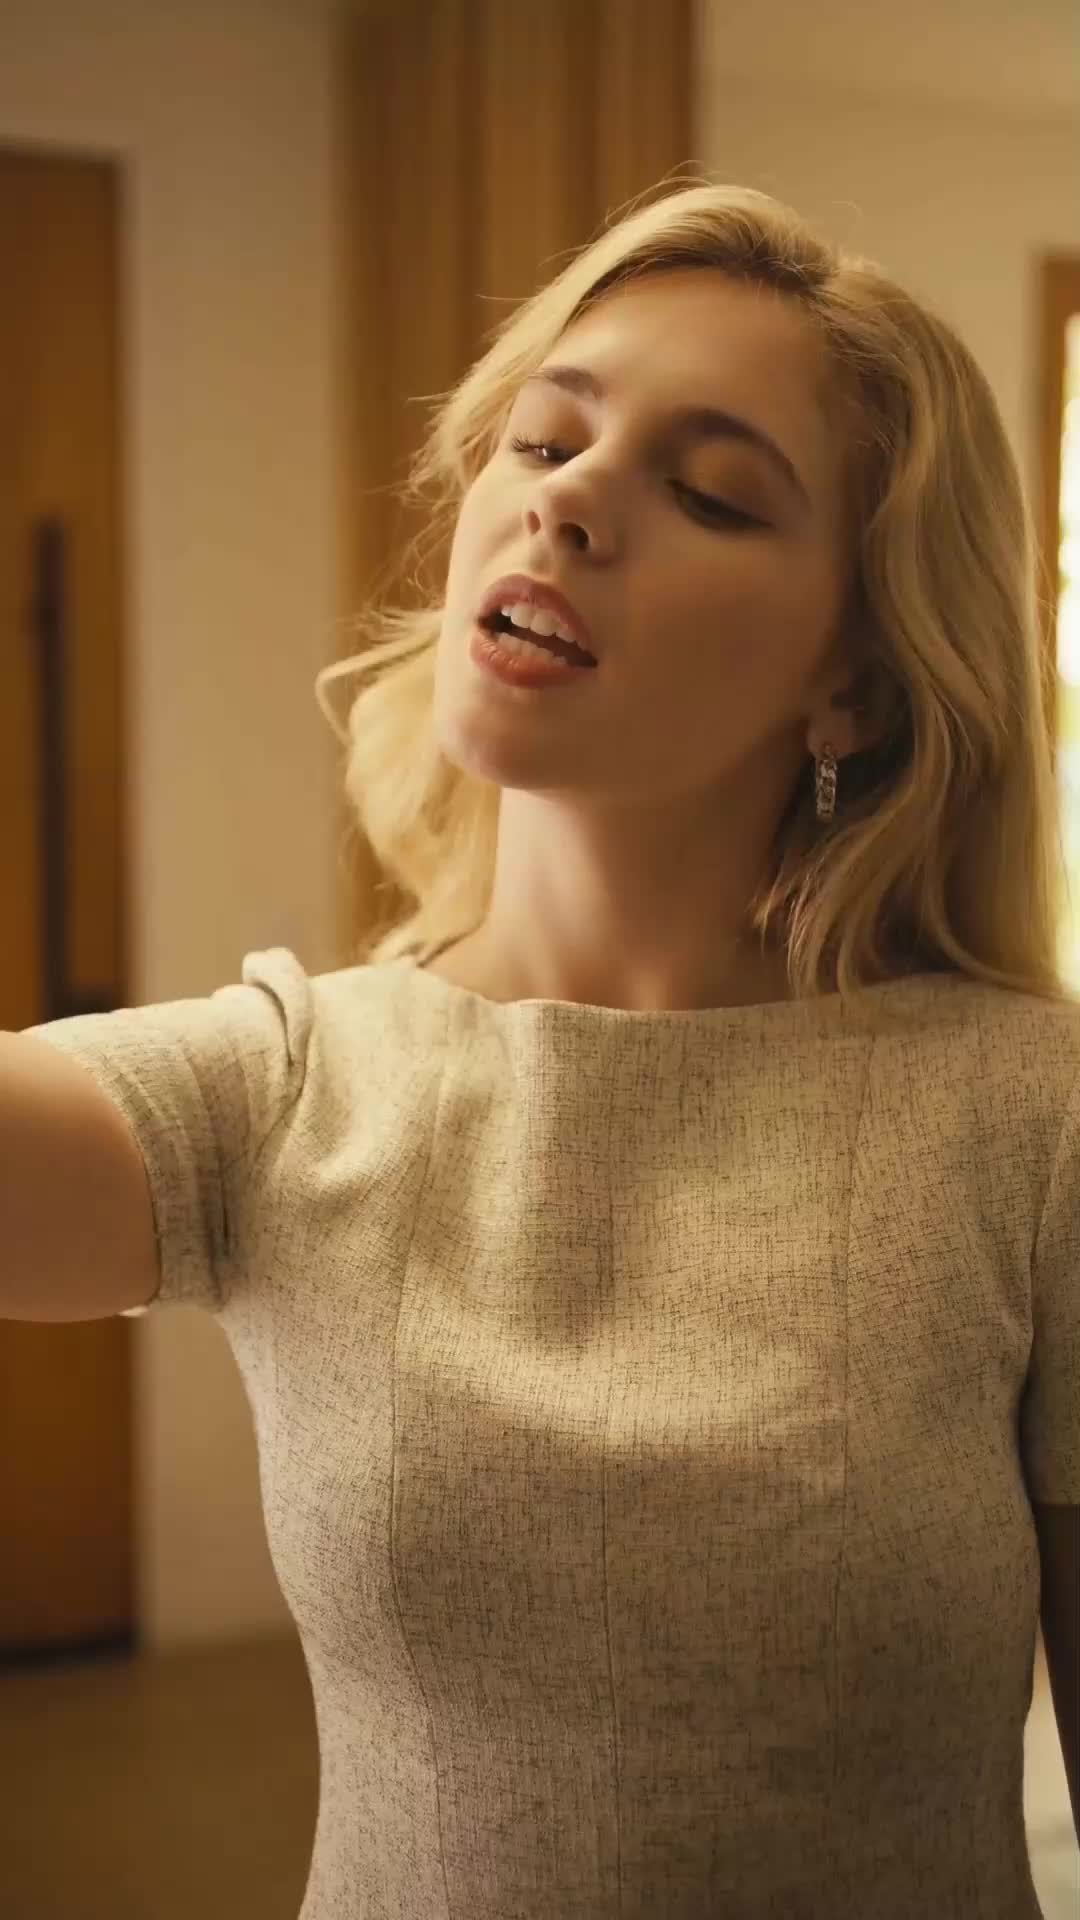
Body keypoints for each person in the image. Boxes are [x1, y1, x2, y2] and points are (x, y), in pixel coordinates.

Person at [6, 179, 1079, 1916]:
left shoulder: (1035, 1120)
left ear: (858, 687)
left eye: (710, 492)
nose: (566, 500)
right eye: (543, 439)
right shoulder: (292, 1090)